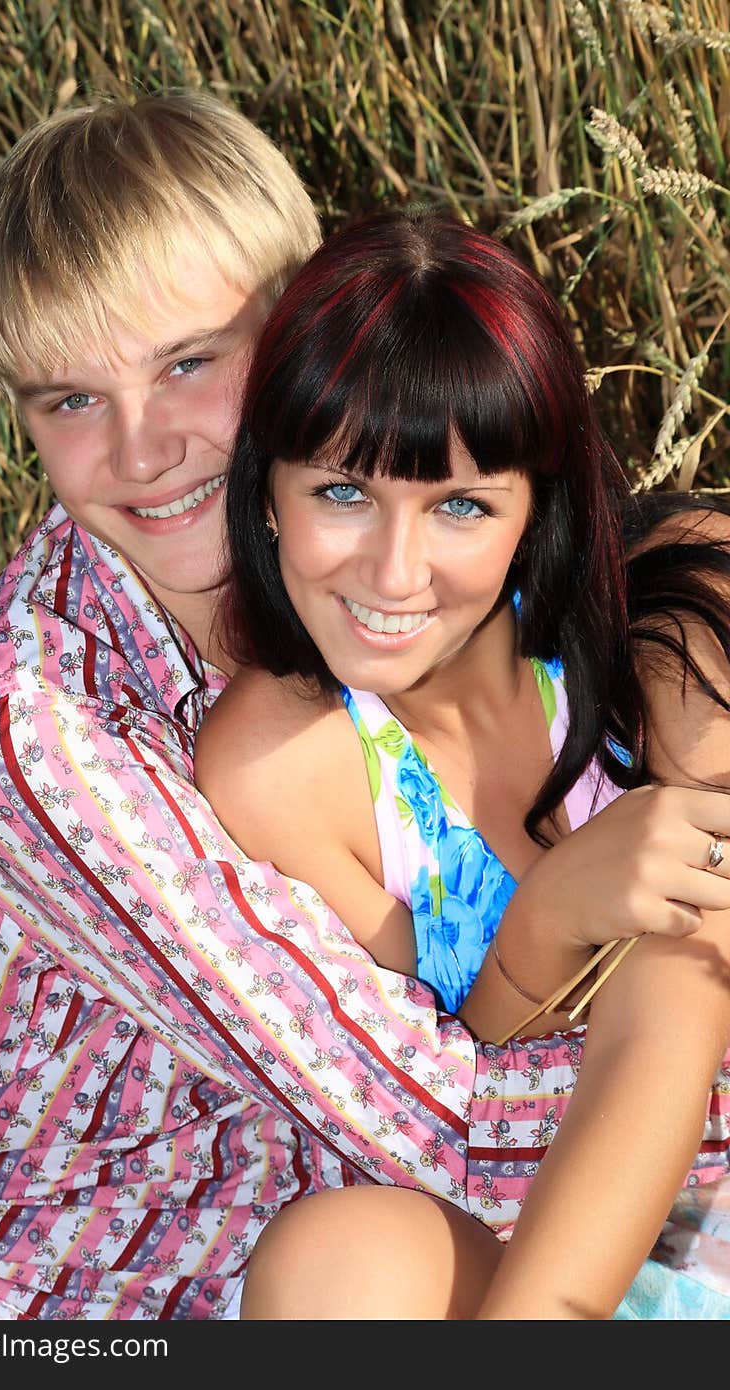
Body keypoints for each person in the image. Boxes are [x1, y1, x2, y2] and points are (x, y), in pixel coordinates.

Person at [0, 92, 726, 1323]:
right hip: (3, 1289)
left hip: (297, 1239)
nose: (145, 449)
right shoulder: (39, 734)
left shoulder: (451, 592)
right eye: (69, 401)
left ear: (309, 322)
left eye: (191, 364)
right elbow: (433, 1120)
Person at [195, 207, 730, 1319]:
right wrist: (545, 921)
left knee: (684, 928)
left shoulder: (678, 619)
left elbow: (691, 980)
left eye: (460, 506)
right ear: (266, 492)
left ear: (538, 508)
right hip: (535, 1241)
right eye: (342, 492)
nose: (395, 572)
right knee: (332, 1258)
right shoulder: (283, 762)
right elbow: (449, 1081)